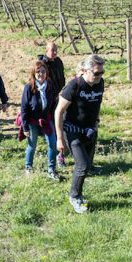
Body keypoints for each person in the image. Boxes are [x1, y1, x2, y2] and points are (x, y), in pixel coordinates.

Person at [55, 55, 106, 214]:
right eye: (96, 73)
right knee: (82, 165)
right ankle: (74, 196)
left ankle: (79, 193)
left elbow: (95, 104)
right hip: (72, 131)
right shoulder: (74, 86)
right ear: (85, 70)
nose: (99, 76)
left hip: (90, 130)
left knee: (88, 165)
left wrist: (95, 121)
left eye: (102, 73)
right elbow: (58, 112)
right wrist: (59, 138)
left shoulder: (100, 83)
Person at [20, 60, 60, 180]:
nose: (40, 74)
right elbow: (24, 108)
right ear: (34, 73)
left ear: (46, 73)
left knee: (53, 144)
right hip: (32, 121)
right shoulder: (29, 87)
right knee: (32, 145)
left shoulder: (50, 85)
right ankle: (28, 167)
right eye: (38, 72)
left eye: (43, 71)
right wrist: (25, 127)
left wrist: (53, 120)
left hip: (46, 119)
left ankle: (51, 169)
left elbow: (53, 103)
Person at [39, 41, 67, 167]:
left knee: (59, 125)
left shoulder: (58, 62)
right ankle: (53, 150)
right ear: (46, 50)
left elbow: (61, 78)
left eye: (56, 50)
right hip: (46, 99)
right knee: (49, 126)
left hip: (56, 97)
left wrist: (59, 91)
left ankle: (59, 155)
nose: (54, 52)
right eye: (52, 50)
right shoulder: (42, 64)